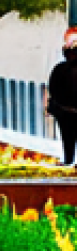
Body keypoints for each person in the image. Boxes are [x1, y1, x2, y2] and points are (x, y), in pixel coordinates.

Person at [48, 27, 77, 166]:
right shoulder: (60, 69)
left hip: (64, 111)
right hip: (65, 110)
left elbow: (54, 89)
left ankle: (68, 159)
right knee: (67, 136)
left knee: (67, 136)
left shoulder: (60, 69)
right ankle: (69, 159)